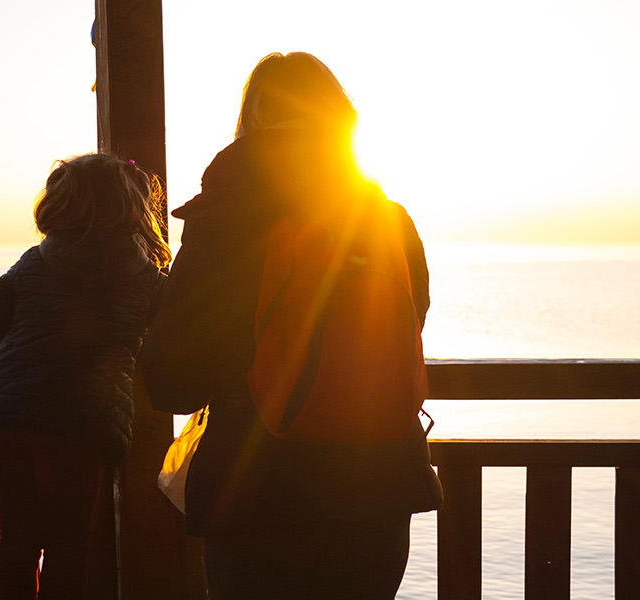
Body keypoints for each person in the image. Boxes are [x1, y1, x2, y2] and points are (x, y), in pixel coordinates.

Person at [137, 51, 441, 599]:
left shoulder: (223, 219)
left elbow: (169, 378)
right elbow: (408, 322)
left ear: (252, 122)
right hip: (379, 485)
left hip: (258, 495)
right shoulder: (389, 221)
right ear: (341, 120)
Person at [0, 153, 170, 599]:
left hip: (1, 420)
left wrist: (28, 360)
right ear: (130, 206)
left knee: (16, 545)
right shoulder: (144, 277)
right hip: (75, 425)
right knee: (68, 547)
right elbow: (173, 334)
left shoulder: (31, 262)